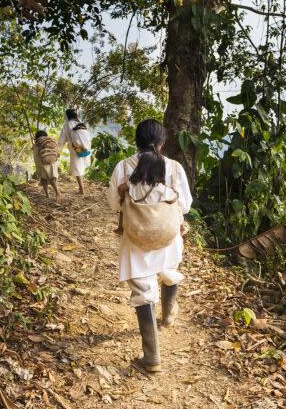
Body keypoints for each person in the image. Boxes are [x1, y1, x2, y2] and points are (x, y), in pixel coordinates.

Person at [107, 119, 192, 373]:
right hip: (168, 238)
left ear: (136, 141)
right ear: (162, 143)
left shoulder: (123, 167)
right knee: (168, 271)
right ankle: (168, 314)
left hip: (135, 239)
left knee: (143, 290)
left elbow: (113, 204)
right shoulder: (174, 168)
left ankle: (152, 357)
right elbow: (185, 205)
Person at [58, 109, 91, 195]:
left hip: (75, 149)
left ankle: (82, 190)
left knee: (77, 169)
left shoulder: (67, 125)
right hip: (85, 148)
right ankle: (82, 188)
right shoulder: (81, 124)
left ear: (67, 116)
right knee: (80, 168)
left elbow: (62, 140)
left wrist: (58, 151)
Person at [33, 130, 60, 201]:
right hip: (52, 163)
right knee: (52, 179)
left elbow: (36, 156)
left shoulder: (37, 144)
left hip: (42, 163)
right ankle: (57, 193)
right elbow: (58, 154)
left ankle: (47, 195)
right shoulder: (51, 141)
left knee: (43, 179)